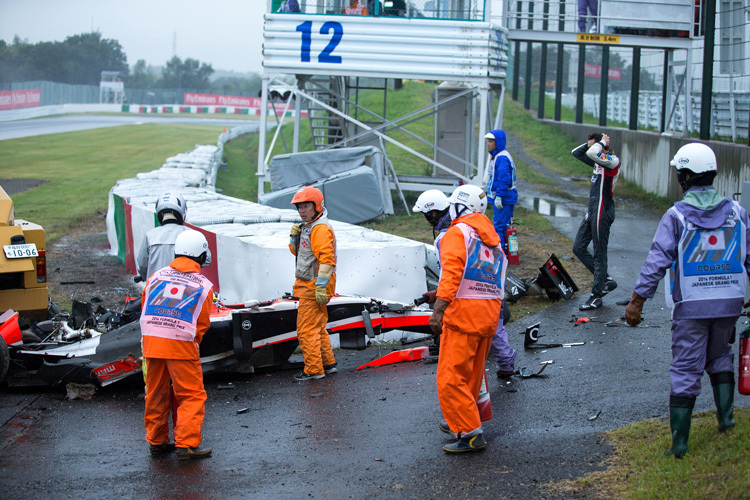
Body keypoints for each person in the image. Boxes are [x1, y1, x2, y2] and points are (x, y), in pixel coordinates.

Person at [625, 143, 750, 458]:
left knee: (685, 368)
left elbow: (657, 260)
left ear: (685, 177)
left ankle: (680, 443)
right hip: (730, 302)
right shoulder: (737, 213)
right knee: (721, 355)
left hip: (692, 306)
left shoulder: (677, 215)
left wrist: (637, 301)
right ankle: (727, 419)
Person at [429, 184, 506, 453]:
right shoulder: (492, 239)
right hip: (488, 317)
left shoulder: (457, 233)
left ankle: (470, 433)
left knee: (450, 377)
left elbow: (451, 273)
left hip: (462, 317)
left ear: (460, 207)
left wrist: (439, 309)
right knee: (471, 376)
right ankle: (460, 420)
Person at [413, 189, 516, 379]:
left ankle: (504, 362)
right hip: (491, 298)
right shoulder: (484, 232)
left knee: (455, 379)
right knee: (494, 332)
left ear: (432, 214)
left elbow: (452, 274)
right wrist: (438, 292)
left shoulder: (453, 234)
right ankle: (505, 362)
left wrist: (439, 308)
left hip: (469, 303)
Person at [140, 230, 213, 460]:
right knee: (190, 395)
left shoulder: (156, 276)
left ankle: (157, 441)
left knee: (156, 392)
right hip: (181, 345)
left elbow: (144, 307)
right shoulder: (203, 285)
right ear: (201, 255)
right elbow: (201, 324)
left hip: (151, 343)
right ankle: (187, 445)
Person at [289, 186, 337, 381]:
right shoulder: (311, 226)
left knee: (306, 330)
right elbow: (300, 254)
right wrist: (295, 238)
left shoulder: (320, 229)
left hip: (313, 287)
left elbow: (327, 259)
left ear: (317, 206)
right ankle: (328, 363)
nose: (302, 210)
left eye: (306, 206)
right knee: (318, 327)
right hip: (313, 286)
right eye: (299, 206)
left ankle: (314, 370)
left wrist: (321, 286)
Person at [571, 133, 620, 311]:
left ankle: (596, 296)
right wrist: (594, 143)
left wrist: (600, 143)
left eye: (595, 146)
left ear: (603, 147)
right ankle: (605, 280)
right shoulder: (598, 159)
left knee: (599, 252)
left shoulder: (611, 160)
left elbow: (592, 153)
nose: (591, 149)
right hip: (592, 210)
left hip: (603, 210)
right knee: (578, 247)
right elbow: (576, 153)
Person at [136, 191, 211, 281]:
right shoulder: (190, 234)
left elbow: (142, 264)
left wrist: (145, 276)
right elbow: (207, 258)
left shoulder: (150, 236)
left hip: (155, 288)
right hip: (183, 288)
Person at [484, 130, 518, 253]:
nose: (488, 144)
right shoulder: (498, 156)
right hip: (503, 197)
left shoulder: (502, 157)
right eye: (488, 141)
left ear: (498, 142)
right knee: (504, 226)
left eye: (491, 141)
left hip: (504, 198)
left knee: (501, 227)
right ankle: (508, 252)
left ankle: (502, 254)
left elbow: (504, 179)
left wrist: (499, 196)